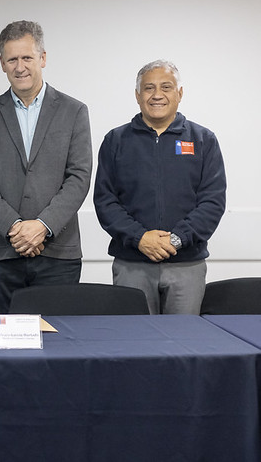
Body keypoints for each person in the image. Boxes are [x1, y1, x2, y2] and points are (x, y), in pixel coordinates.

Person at [0, 21, 92, 314]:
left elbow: (79, 177)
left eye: (27, 57)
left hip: (58, 254)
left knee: (59, 337)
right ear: (2, 63)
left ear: (42, 58)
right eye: (12, 59)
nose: (19, 67)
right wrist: (15, 227)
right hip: (1, 254)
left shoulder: (74, 111)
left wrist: (42, 226)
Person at [94, 60, 226, 314]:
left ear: (180, 93)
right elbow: (105, 201)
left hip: (187, 266)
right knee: (135, 336)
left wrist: (176, 240)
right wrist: (140, 238)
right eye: (149, 88)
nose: (157, 95)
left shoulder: (203, 140)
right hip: (132, 265)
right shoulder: (115, 141)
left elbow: (213, 202)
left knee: (184, 337)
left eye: (166, 87)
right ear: (137, 95)